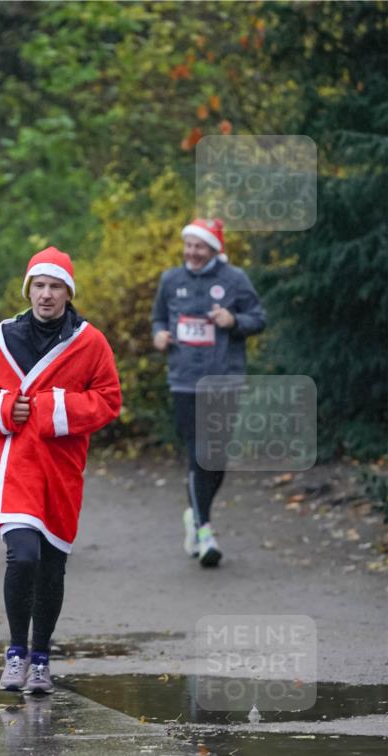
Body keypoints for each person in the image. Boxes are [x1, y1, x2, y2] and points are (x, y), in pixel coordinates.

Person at [0, 247, 121, 694]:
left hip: (61, 468)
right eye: (39, 285)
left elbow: (109, 399)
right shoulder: (4, 337)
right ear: (28, 289)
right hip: (16, 463)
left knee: (52, 566)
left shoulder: (90, 342)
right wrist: (4, 407)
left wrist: (53, 408)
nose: (46, 295)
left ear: (68, 293)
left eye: (55, 286)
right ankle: (16, 653)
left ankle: (41, 658)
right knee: (24, 555)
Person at [151, 217, 266, 567]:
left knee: (216, 458)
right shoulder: (171, 279)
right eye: (189, 245)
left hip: (224, 379)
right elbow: (158, 318)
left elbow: (258, 317)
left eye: (200, 246)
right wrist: (159, 336)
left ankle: (195, 515)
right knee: (197, 453)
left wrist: (235, 322)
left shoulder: (235, 280)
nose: (192, 252)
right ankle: (205, 532)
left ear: (214, 248)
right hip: (184, 380)